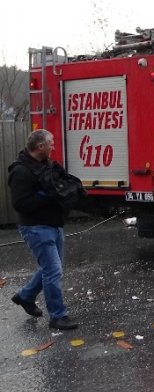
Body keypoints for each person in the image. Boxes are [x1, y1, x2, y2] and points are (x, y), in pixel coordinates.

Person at [7, 129, 79, 330]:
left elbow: (63, 183)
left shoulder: (47, 166)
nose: (53, 147)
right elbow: (21, 204)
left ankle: (25, 296)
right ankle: (58, 316)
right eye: (51, 143)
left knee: (51, 268)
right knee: (53, 270)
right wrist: (48, 195)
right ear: (40, 146)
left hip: (54, 225)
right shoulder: (20, 171)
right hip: (36, 228)